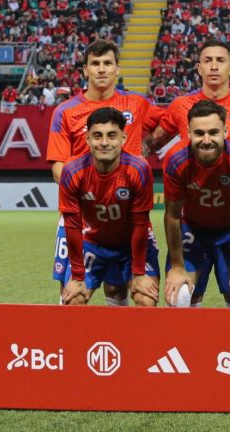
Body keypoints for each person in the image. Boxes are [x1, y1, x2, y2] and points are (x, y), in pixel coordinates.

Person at [47, 40, 162, 305]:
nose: (101, 69)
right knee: (71, 294)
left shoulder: (136, 103)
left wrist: (147, 145)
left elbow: (168, 123)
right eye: (95, 64)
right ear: (85, 70)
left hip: (128, 212)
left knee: (120, 290)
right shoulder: (64, 112)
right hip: (84, 212)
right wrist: (93, 187)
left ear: (117, 69)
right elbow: (58, 166)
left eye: (107, 63)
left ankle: (121, 344)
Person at [162, 100, 230, 307]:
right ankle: (184, 341)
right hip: (193, 229)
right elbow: (171, 216)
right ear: (188, 133)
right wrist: (177, 266)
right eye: (199, 133)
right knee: (179, 296)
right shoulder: (175, 159)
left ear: (225, 131)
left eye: (213, 133)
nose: (206, 140)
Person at [59, 107, 158, 306]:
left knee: (146, 298)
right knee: (73, 298)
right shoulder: (72, 170)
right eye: (97, 136)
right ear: (87, 139)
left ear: (123, 138)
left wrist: (139, 273)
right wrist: (77, 276)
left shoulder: (139, 169)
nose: (104, 142)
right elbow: (72, 226)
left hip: (132, 244)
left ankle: (129, 336)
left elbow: (140, 224)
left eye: (111, 136)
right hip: (93, 243)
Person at [148, 39, 230, 156]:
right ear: (199, 68)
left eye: (220, 61)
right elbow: (149, 146)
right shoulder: (180, 105)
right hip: (190, 182)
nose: (214, 67)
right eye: (207, 60)